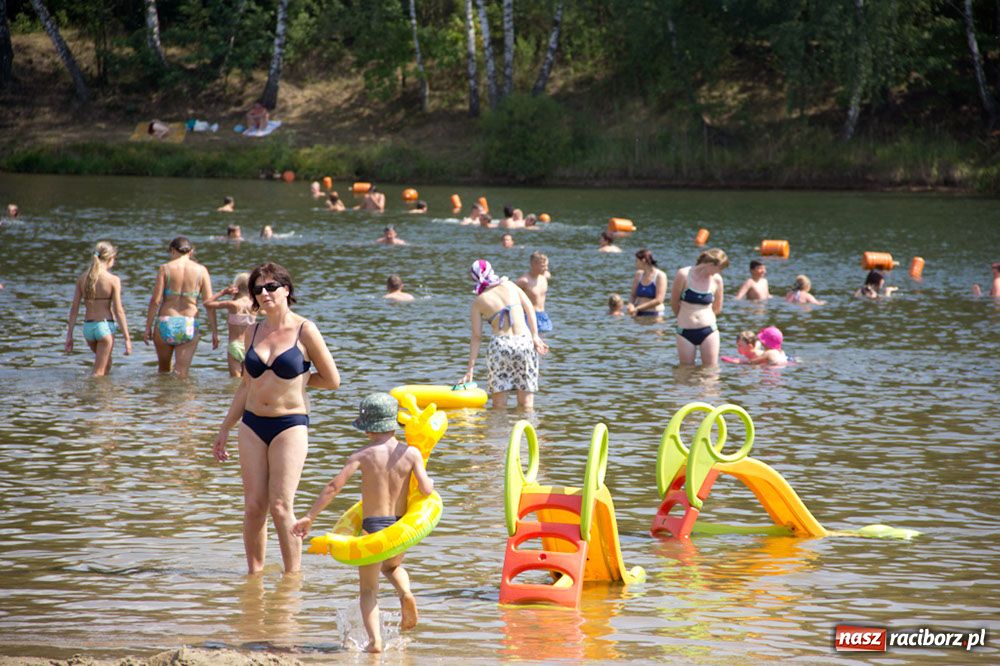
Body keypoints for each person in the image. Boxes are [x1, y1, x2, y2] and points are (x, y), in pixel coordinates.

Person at [213, 262, 341, 575]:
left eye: (271, 287)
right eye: (258, 288)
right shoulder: (252, 331)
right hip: (253, 424)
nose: (265, 293)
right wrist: (224, 429)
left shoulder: (304, 329)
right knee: (254, 506)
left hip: (290, 424)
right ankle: (253, 578)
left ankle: (292, 578)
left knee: (281, 505)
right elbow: (246, 385)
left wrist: (300, 381)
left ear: (286, 289)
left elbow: (332, 379)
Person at [291, 393, 433, 653]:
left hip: (374, 526)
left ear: (368, 428)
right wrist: (430, 483)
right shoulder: (411, 453)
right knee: (391, 567)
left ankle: (375, 642)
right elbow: (425, 489)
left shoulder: (362, 455)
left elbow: (334, 487)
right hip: (400, 527)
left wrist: (309, 516)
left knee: (368, 590)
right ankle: (406, 594)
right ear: (394, 423)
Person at [462, 259, 548, 409]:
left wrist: (470, 369)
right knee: (527, 405)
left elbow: (476, 336)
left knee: (499, 406)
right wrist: (535, 335)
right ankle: (525, 430)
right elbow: (529, 308)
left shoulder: (478, 301)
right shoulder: (510, 285)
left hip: (500, 346)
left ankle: (499, 431)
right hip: (524, 342)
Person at [144, 236, 218, 378]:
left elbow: (155, 301)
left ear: (172, 250)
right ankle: (183, 400)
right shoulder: (201, 270)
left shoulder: (165, 268)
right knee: (182, 375)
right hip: (188, 323)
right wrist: (215, 332)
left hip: (165, 321)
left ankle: (161, 399)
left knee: (163, 372)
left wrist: (148, 327)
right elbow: (209, 304)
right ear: (191, 251)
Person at [65, 241, 132, 376]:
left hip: (88, 328)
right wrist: (127, 338)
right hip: (104, 327)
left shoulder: (82, 278)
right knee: (98, 373)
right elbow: (118, 310)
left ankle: (106, 395)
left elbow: (74, 309)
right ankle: (93, 394)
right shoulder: (113, 280)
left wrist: (69, 335)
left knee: (106, 363)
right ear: (110, 258)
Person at [671, 248, 728, 366]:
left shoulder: (717, 280)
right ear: (711, 264)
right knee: (685, 372)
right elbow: (674, 302)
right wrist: (683, 318)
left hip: (708, 331)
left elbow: (717, 308)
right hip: (685, 331)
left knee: (710, 371)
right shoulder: (684, 274)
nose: (720, 272)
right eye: (720, 268)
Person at [204, 272, 256, 377]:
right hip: (250, 347)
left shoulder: (233, 304)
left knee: (234, 383)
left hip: (235, 346)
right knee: (246, 382)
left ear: (237, 287)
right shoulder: (255, 306)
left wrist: (223, 292)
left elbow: (207, 304)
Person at [516, 252, 552, 333]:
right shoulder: (523, 281)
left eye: (547, 265)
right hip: (528, 317)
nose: (546, 268)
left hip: (543, 315)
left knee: (544, 343)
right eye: (543, 266)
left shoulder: (545, 276)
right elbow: (510, 296)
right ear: (533, 264)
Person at [626, 249, 667, 317]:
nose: (635, 264)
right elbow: (633, 295)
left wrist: (638, 308)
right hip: (638, 313)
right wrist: (630, 304)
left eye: (637, 261)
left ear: (643, 261)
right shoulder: (638, 274)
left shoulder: (660, 275)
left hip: (654, 315)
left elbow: (659, 300)